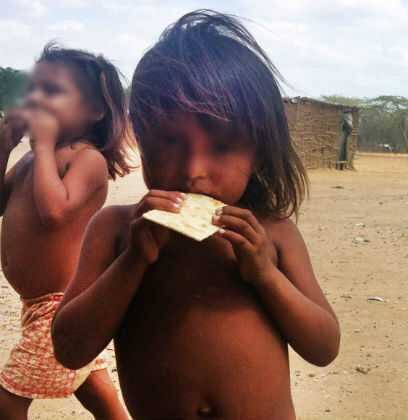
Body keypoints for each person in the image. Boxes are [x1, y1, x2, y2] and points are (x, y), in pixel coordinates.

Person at [52, 10, 341, 419]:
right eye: (169, 142)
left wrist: (265, 276)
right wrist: (134, 261)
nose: (193, 171)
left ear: (257, 150)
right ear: (142, 137)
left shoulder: (274, 236)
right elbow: (69, 348)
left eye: (222, 147)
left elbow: (324, 346)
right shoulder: (116, 231)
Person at [0, 44, 130, 419]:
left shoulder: (86, 159)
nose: (36, 99)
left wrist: (41, 146)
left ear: (95, 110)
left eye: (52, 91)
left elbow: (54, 212)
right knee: (95, 390)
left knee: (7, 401)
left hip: (62, 306)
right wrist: (6, 147)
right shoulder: (31, 159)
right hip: (37, 305)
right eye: (33, 89)